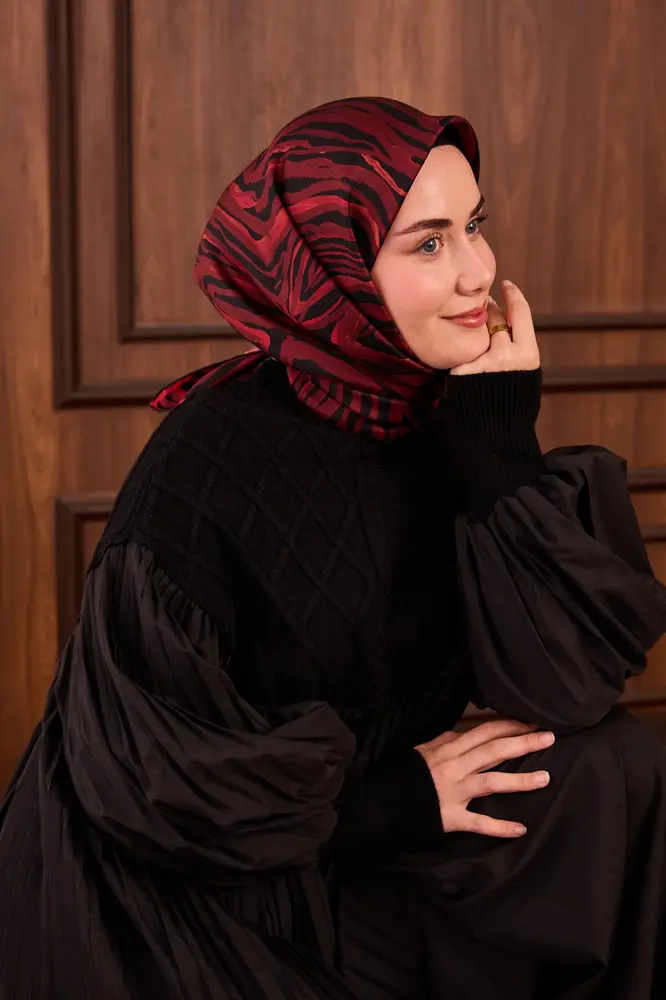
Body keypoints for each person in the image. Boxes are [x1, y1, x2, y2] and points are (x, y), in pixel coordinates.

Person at [1, 96, 666, 1000]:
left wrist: (501, 446)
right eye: (428, 244)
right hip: (188, 887)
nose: (478, 272)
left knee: (616, 770)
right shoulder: (209, 461)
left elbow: (567, 686)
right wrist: (395, 802)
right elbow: (145, 783)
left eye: (475, 227)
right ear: (332, 264)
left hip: (358, 830)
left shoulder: (440, 407)